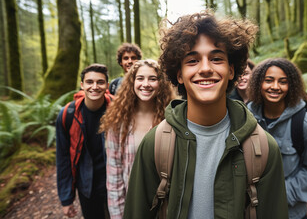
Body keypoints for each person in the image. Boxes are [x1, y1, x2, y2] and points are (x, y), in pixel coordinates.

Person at [123, 11, 288, 218]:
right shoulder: (155, 145)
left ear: (231, 70)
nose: (205, 68)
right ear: (179, 75)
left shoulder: (262, 149)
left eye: (216, 58)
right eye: (192, 61)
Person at [247, 58, 307, 219]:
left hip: (289, 213)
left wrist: (281, 194)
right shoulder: (246, 119)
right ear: (258, 84)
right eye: (268, 80)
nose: (275, 87)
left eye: (283, 82)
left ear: (291, 86)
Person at [100, 59, 174, 219]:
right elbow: (114, 176)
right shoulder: (118, 122)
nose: (145, 84)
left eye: (152, 79)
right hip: (133, 204)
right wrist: (118, 215)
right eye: (140, 78)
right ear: (132, 82)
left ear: (160, 83)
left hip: (167, 206)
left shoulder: (171, 119)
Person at [56, 64, 112, 218]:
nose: (95, 87)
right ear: (82, 85)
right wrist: (66, 199)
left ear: (107, 85)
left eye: (100, 82)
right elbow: (63, 159)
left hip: (116, 184)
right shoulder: (67, 114)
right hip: (87, 187)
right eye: (89, 82)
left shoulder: (118, 109)